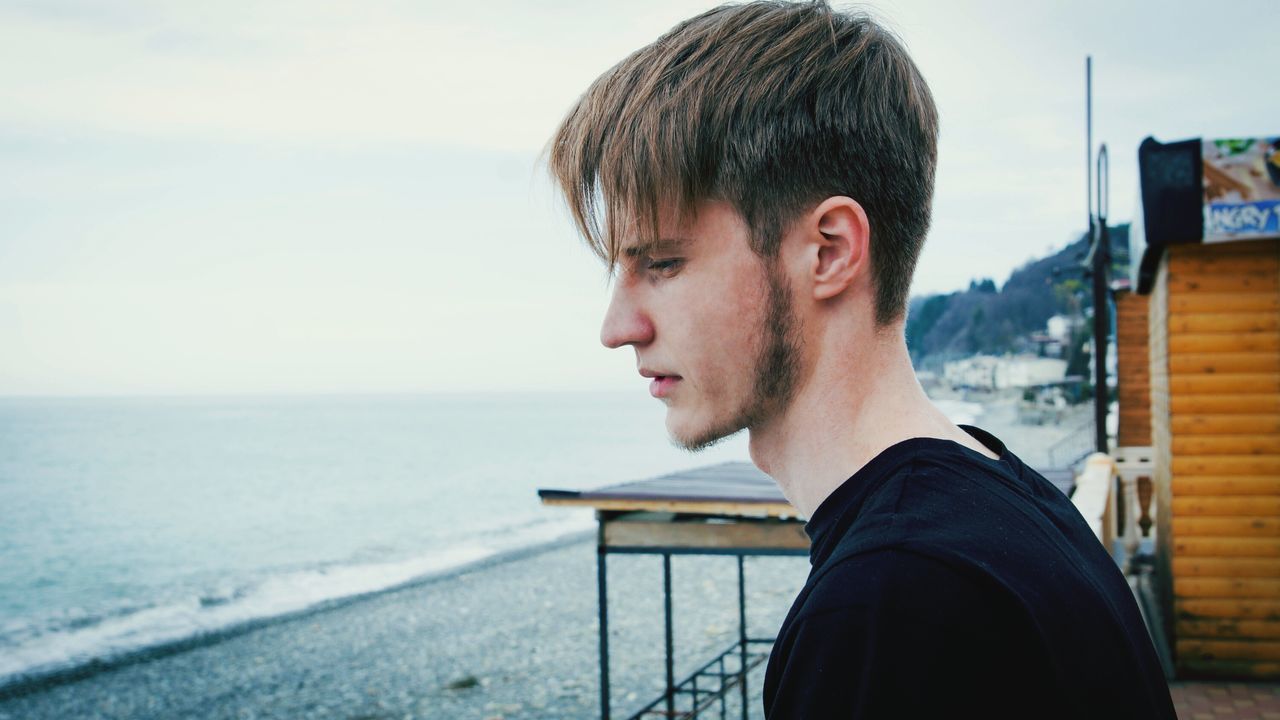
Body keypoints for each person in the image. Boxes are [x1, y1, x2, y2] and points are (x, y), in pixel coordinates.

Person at [547, 2, 1176, 717]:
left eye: (661, 262)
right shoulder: (1010, 505)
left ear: (831, 251)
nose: (616, 327)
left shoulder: (890, 610)